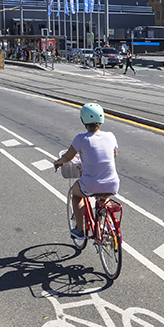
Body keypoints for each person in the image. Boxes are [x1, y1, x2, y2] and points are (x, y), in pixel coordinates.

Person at [52, 103, 119, 241]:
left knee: (76, 195)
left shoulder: (81, 139)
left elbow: (68, 156)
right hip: (113, 184)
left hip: (90, 184)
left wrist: (59, 162)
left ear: (83, 120)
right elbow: (114, 155)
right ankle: (107, 223)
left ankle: (80, 230)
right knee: (103, 198)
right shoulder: (111, 136)